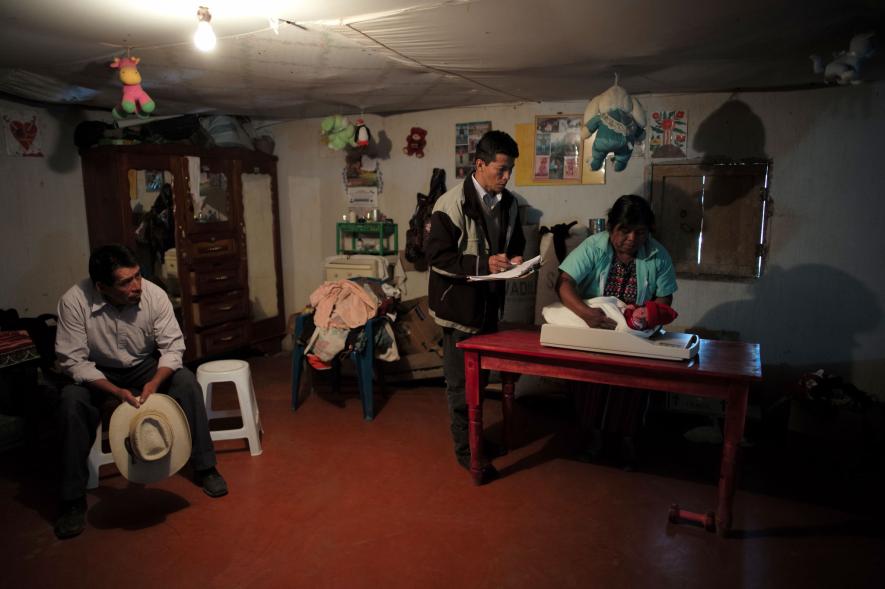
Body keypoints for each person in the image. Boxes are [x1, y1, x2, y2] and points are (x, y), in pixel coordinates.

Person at [53, 244, 227, 539]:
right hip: (99, 372)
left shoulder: (154, 295)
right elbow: (73, 362)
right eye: (126, 282)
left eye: (138, 276)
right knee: (71, 402)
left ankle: (205, 467)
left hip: (144, 366)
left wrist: (155, 381)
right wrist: (115, 390)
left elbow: (173, 348)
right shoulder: (74, 302)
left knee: (186, 382)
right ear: (101, 287)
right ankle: (72, 500)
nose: (137, 286)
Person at [426, 130, 525, 483]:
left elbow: (515, 241)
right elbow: (438, 257)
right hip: (458, 310)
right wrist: (485, 264)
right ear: (479, 164)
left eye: (510, 169)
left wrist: (516, 260)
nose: (507, 177)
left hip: (488, 306)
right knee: (460, 387)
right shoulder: (449, 204)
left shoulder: (509, 203)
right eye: (501, 169)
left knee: (480, 382)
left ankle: (476, 437)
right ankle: (467, 453)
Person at [556, 194, 677, 466]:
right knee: (590, 380)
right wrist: (587, 314)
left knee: (633, 381)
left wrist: (648, 315)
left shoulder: (658, 255)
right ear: (611, 227)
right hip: (596, 328)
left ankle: (628, 440)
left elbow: (665, 298)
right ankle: (594, 438)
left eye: (640, 232)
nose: (632, 239)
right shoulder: (594, 247)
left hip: (635, 334)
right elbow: (564, 283)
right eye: (624, 230)